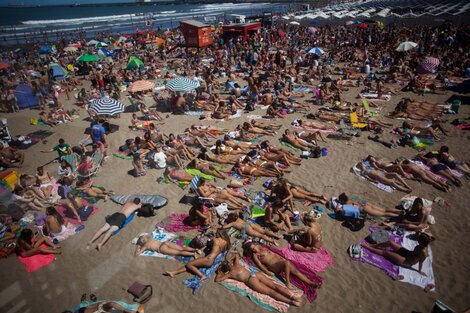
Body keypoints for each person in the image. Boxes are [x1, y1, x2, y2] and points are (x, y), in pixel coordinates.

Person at [214, 252, 303, 307]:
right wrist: (229, 259)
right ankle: (294, 297)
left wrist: (219, 272)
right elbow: (236, 255)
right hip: (255, 274)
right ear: (229, 265)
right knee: (274, 286)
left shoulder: (230, 274)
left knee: (271, 292)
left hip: (251, 280)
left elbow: (217, 280)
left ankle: (292, 301)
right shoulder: (236, 264)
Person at [246, 242, 319, 289]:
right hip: (273, 266)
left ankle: (311, 283)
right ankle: (287, 282)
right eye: (252, 249)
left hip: (280, 262)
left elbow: (275, 254)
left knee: (296, 272)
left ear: (256, 245)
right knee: (287, 263)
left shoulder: (264, 248)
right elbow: (259, 265)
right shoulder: (255, 255)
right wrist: (267, 272)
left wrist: (281, 258)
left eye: (253, 247)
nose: (254, 250)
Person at [164, 229, 231, 280]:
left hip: (208, 259)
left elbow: (208, 245)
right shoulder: (225, 242)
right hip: (211, 261)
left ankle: (201, 275)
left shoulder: (215, 239)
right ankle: (173, 273)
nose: (216, 234)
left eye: (217, 233)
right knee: (190, 266)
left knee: (189, 264)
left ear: (219, 234)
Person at [361, 232, 435, 277]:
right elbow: (431, 238)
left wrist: (419, 271)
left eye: (418, 240)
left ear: (421, 242)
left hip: (407, 261)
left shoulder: (423, 253)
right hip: (408, 253)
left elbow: (421, 262)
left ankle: (368, 247)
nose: (417, 241)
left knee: (386, 253)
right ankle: (373, 245)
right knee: (390, 242)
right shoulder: (425, 243)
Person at [134, 233, 201, 258]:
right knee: (181, 247)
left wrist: (138, 246)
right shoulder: (149, 238)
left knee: (179, 252)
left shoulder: (145, 246)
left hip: (161, 249)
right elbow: (145, 234)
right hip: (164, 243)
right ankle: (195, 249)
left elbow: (137, 254)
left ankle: (192, 254)